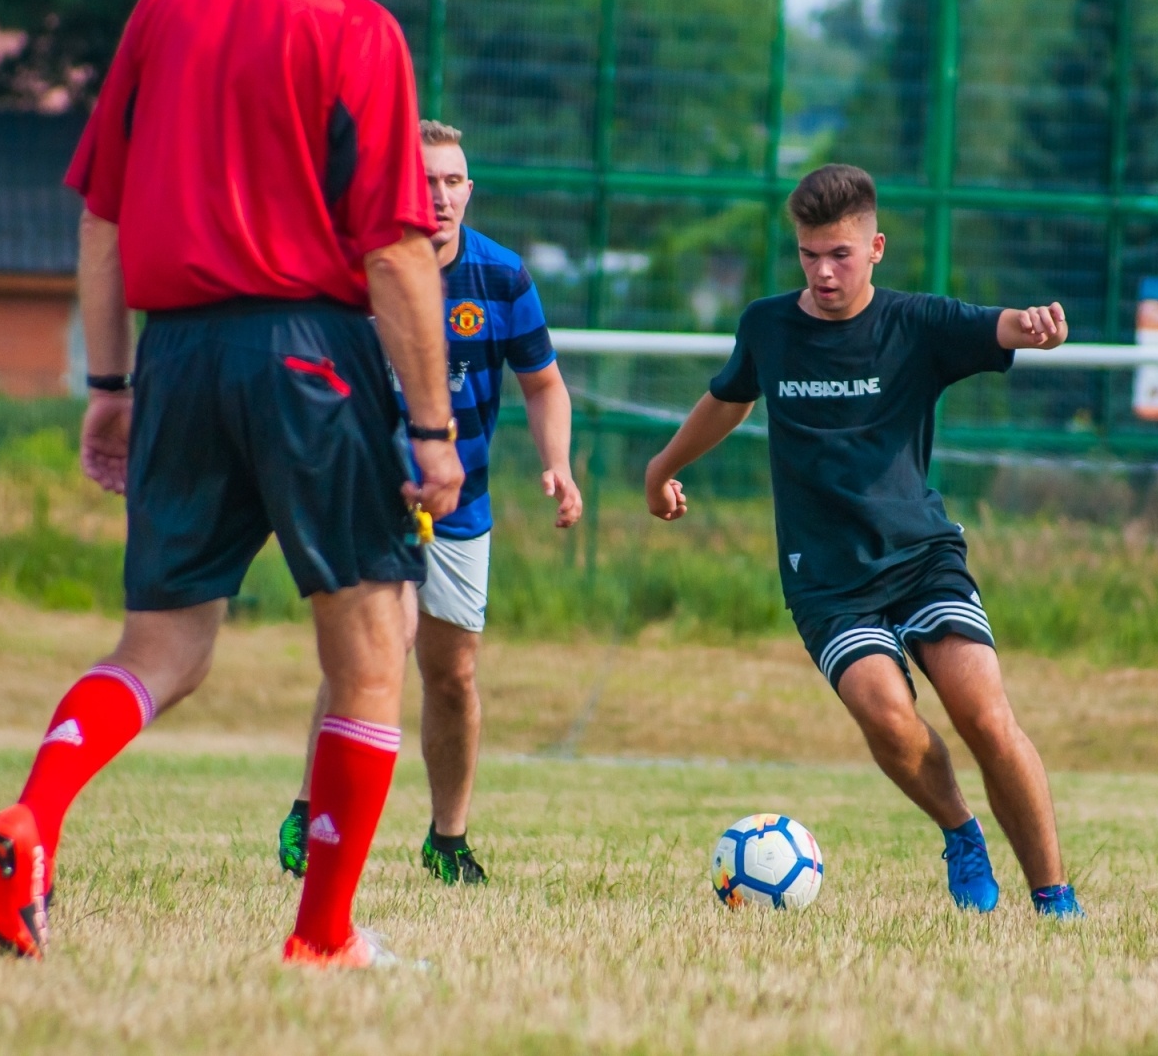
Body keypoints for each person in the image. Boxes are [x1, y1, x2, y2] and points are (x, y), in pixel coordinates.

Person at [0, 0, 463, 968]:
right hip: (309, 354)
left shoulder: (163, 13)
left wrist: (109, 383)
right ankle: (322, 935)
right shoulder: (356, 27)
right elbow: (398, 250)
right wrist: (433, 430)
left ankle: (33, 819)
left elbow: (101, 218)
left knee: (161, 649)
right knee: (369, 651)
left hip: (178, 354)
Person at [643, 165, 1084, 917]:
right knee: (885, 711)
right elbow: (728, 399)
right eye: (810, 254)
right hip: (826, 579)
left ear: (875, 248)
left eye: (840, 254)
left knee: (982, 712)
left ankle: (1054, 897)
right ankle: (960, 830)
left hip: (921, 559)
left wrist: (1041, 325)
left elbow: (1003, 324)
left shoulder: (918, 324)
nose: (822, 271)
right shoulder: (768, 326)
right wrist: (661, 469)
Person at [276, 120, 581, 886]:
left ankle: (447, 839)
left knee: (452, 674)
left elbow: (544, 383)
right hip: (364, 491)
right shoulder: (358, 270)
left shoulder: (502, 277)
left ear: (470, 190)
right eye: (426, 182)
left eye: (453, 181)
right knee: (364, 655)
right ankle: (312, 812)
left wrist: (558, 464)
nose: (440, 196)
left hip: (461, 504)